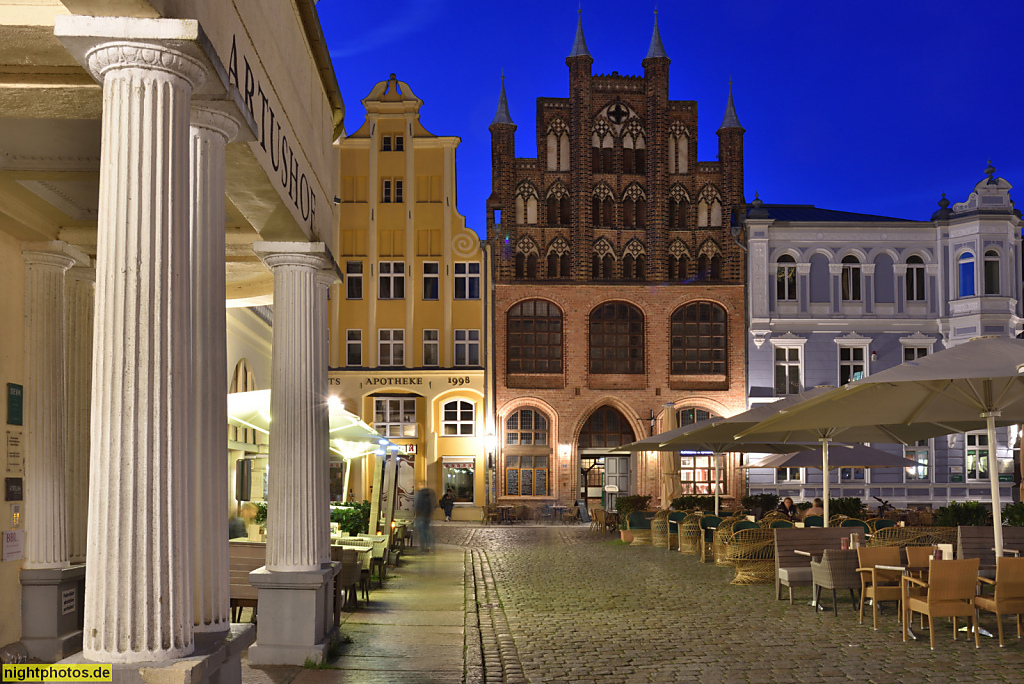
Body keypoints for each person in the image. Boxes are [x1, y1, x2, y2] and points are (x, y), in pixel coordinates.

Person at [413, 487, 437, 552]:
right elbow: (434, 505)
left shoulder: (418, 494)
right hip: (427, 516)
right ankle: (428, 546)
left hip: (420, 516)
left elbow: (416, 505)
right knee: (427, 531)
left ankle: (422, 547)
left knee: (421, 533)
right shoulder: (430, 494)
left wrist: (416, 514)